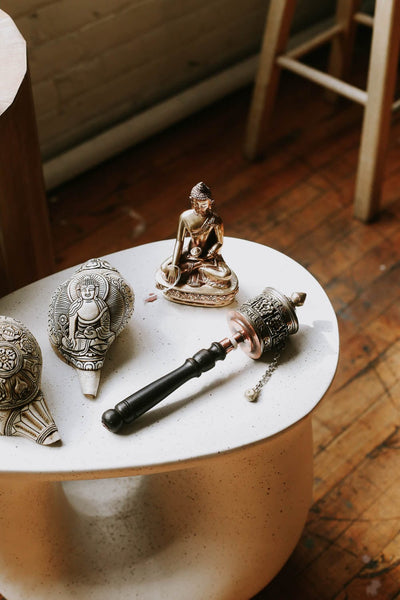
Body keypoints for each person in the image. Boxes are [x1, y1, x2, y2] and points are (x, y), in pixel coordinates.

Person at [161, 182, 233, 288]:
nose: (199, 208)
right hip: (189, 251)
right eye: (196, 204)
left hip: (207, 255)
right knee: (164, 267)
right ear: (191, 201)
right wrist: (174, 265)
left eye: (203, 205)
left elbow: (219, 242)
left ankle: (197, 268)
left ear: (210, 203)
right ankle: (196, 268)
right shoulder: (185, 217)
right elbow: (179, 241)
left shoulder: (215, 220)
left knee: (226, 275)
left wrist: (211, 252)